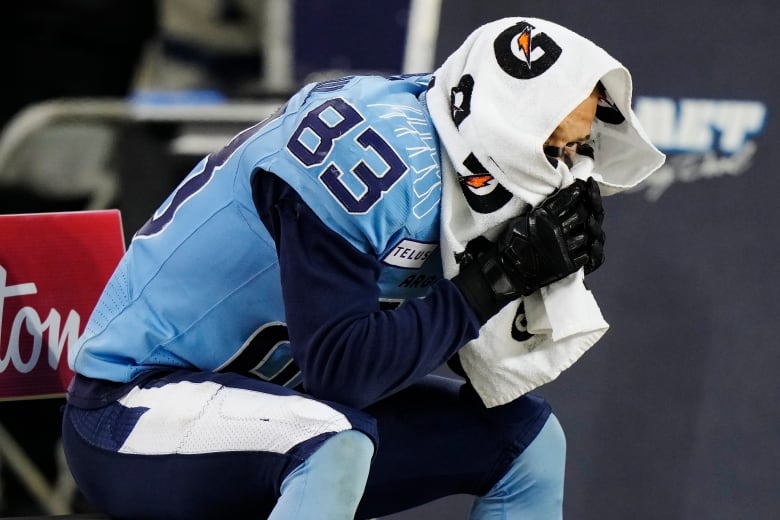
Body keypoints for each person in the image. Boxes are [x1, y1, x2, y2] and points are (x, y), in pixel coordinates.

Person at [62, 16, 664, 520]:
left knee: (527, 442)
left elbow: (454, 354)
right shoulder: (374, 159)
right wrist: (496, 279)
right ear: (509, 127)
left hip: (276, 400)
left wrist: (531, 283)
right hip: (132, 408)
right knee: (331, 445)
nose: (568, 167)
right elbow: (343, 372)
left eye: (576, 149)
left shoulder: (461, 149)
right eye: (558, 145)